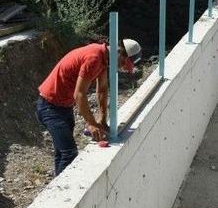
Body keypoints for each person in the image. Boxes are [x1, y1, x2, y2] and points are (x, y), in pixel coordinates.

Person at [36, 38, 142, 175]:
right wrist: (91, 123)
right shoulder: (94, 58)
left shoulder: (103, 59)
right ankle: (66, 190)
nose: (121, 67)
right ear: (120, 52)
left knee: (61, 152)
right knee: (69, 153)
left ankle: (58, 184)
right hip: (49, 107)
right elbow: (79, 94)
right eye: (122, 63)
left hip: (64, 106)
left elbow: (102, 89)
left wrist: (102, 120)